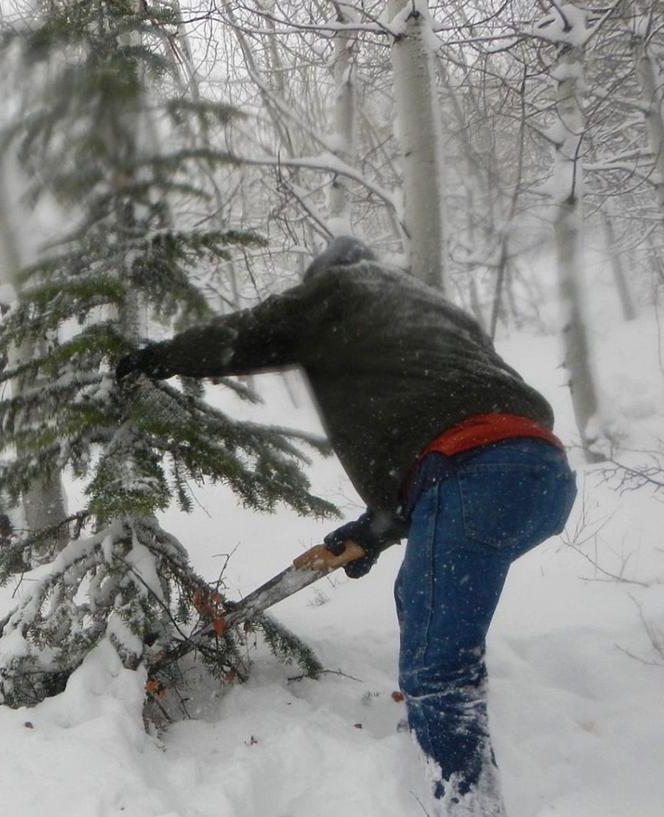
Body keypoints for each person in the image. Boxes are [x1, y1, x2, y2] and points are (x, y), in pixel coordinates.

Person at [117, 237, 576, 814]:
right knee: (428, 604)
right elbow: (438, 433)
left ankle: (465, 801)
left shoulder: (341, 289)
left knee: (438, 663)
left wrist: (155, 359)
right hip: (540, 475)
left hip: (473, 472)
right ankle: (434, 731)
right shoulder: (434, 312)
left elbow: (246, 333)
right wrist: (369, 533)